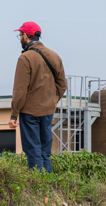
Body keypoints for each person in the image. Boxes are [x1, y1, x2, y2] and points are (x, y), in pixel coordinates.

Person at [10, 21, 67, 172]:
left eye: (20, 35)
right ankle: (48, 188)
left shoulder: (25, 58)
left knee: (33, 152)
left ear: (26, 36)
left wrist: (13, 115)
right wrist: (52, 101)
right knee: (44, 153)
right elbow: (62, 85)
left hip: (29, 113)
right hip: (48, 111)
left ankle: (38, 189)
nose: (20, 38)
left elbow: (20, 90)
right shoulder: (54, 56)